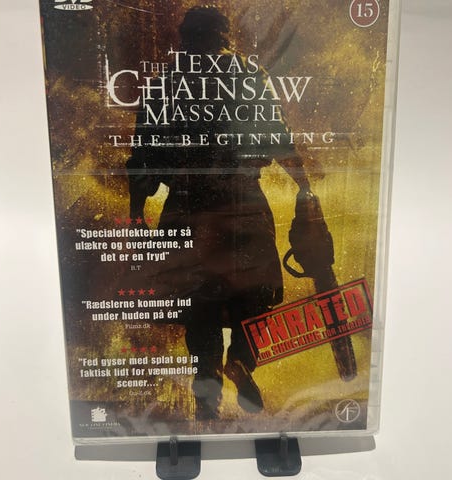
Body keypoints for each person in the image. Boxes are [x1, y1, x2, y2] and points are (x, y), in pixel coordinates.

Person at [126, 6, 314, 419]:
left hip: (187, 205)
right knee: (255, 293)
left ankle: (206, 384)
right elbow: (278, 135)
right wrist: (304, 186)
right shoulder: (247, 76)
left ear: (185, 39)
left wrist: (137, 211)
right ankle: (241, 361)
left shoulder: (166, 83)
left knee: (200, 304)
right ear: (225, 35)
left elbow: (142, 156)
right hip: (242, 201)